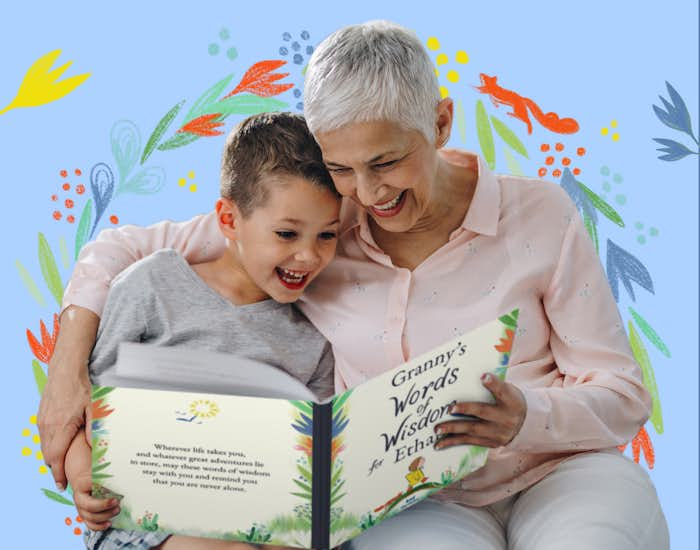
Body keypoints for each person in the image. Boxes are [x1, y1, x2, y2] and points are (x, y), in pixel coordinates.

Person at [40, 20, 669, 550]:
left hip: (562, 470)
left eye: (387, 162)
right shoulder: (317, 226)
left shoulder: (540, 214)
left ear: (442, 123)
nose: (370, 195)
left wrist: (525, 416)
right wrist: (68, 371)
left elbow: (622, 394)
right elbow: (120, 248)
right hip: (422, 502)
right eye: (342, 168)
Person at [63, 111, 340, 549]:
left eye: (327, 236)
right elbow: (86, 409)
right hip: (149, 516)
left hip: (263, 514)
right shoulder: (152, 284)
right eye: (287, 234)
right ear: (229, 220)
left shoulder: (315, 333)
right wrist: (82, 475)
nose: (308, 256)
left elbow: (316, 452)